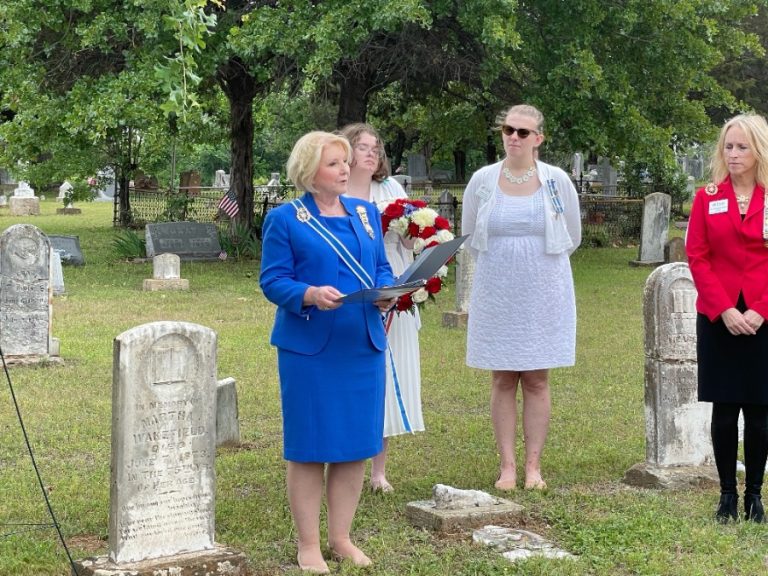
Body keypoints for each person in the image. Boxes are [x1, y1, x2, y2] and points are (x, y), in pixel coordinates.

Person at [259, 131, 395, 572]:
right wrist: (310, 293)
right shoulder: (286, 219)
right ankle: (308, 544)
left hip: (362, 343)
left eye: (346, 162)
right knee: (310, 447)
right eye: (335, 163)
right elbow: (273, 280)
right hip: (312, 350)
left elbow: (380, 268)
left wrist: (388, 293)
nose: (346, 170)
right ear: (309, 172)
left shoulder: (365, 211)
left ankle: (341, 537)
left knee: (355, 446)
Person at [461, 104, 581, 491]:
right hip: (497, 284)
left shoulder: (555, 180)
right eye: (509, 130)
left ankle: (533, 466)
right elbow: (470, 236)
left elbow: (572, 235)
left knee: (536, 378)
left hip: (543, 284)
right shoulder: (482, 180)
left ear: (538, 139)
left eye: (523, 132)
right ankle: (507, 467)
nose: (514, 137)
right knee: (501, 378)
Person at [685, 113, 768, 523]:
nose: (733, 154)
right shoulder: (707, 196)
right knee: (724, 408)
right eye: (728, 147)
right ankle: (727, 496)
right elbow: (698, 257)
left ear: (759, 151)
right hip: (719, 318)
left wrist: (759, 310)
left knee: (759, 410)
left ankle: (755, 495)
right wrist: (724, 310)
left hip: (762, 317)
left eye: (742, 147)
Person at [340, 123, 424, 493]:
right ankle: (342, 456)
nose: (371, 153)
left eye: (376, 148)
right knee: (352, 373)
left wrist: (416, 230)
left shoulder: (390, 189)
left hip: (392, 284)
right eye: (362, 146)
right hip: (349, 285)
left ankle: (378, 472)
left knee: (389, 377)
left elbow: (411, 240)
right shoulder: (334, 189)